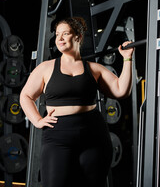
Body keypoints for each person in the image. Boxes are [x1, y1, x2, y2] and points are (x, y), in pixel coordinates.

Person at [20, 17, 134, 187]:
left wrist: (127, 59)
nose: (59, 38)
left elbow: (121, 90)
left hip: (94, 136)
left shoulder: (94, 68)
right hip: (58, 137)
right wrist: (37, 120)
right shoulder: (46, 68)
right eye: (58, 34)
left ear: (78, 37)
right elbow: (26, 96)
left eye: (65, 34)